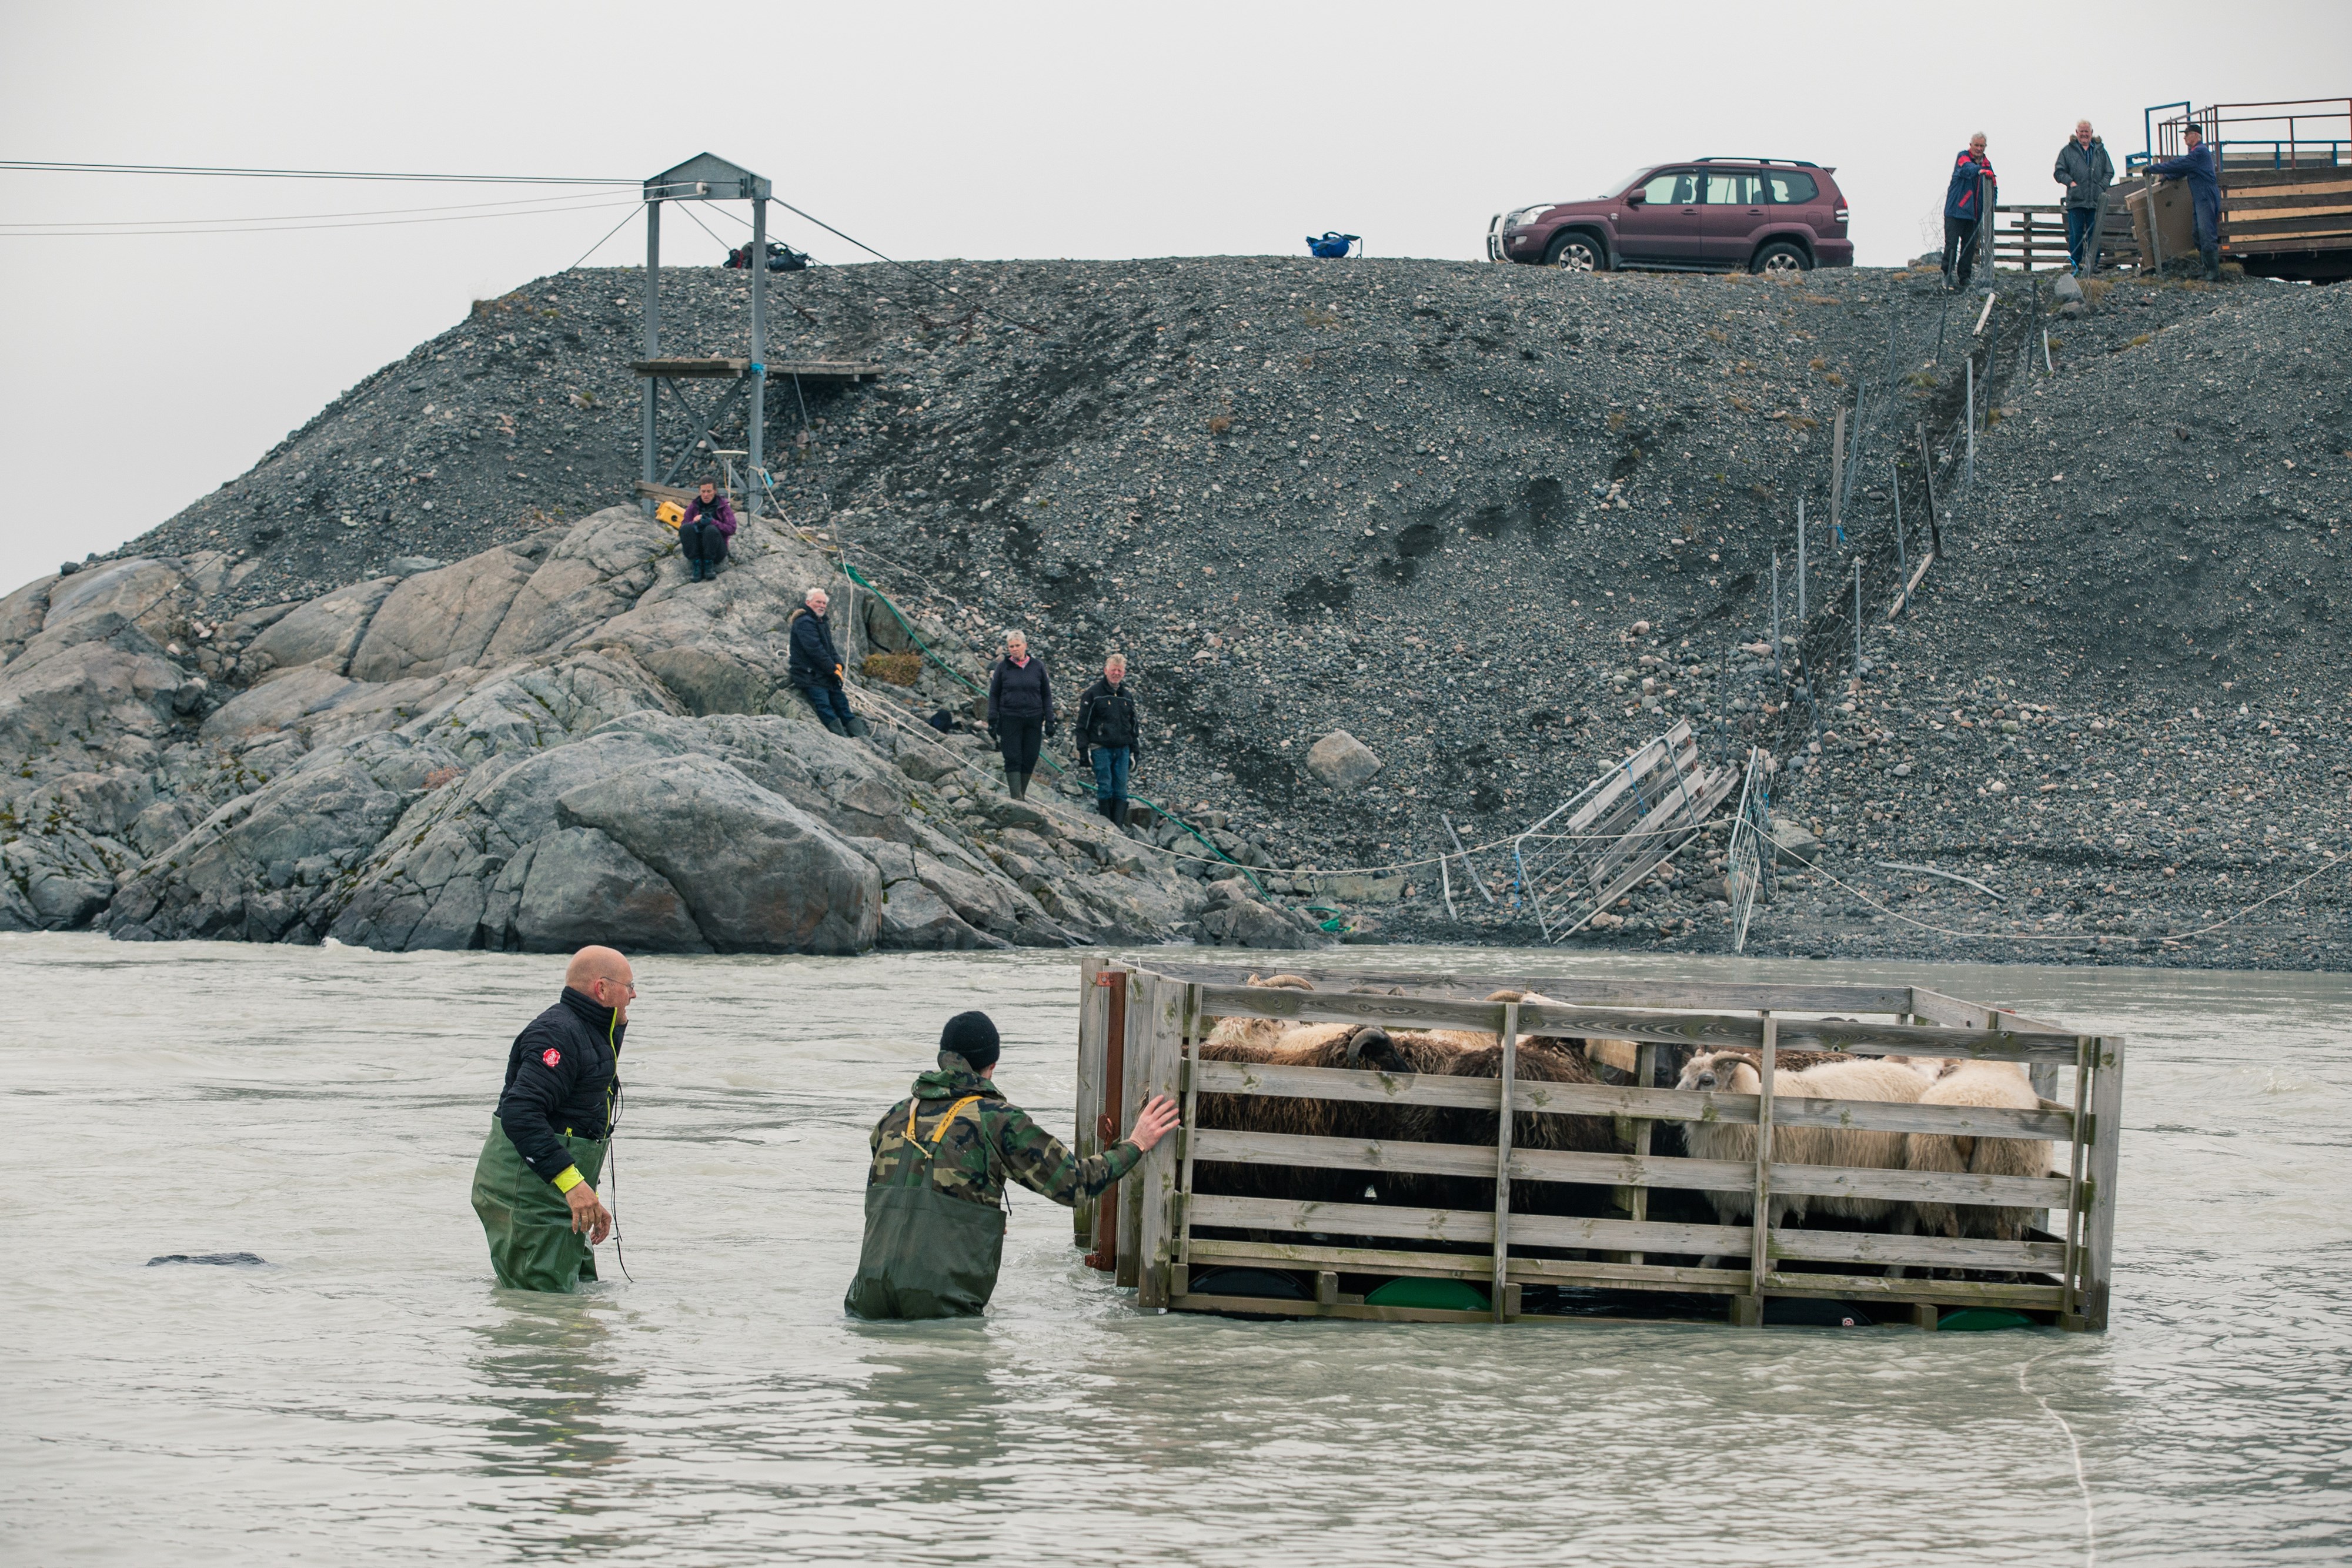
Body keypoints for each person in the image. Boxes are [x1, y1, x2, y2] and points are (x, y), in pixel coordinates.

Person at [844, 1010, 1180, 1320]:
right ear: (992, 1064)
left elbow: (901, 1191)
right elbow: (1075, 1185)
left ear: (943, 1057)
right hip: (941, 1305)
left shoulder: (896, 1115)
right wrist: (1136, 1144)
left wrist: (977, 1214)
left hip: (867, 1300)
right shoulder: (996, 1119)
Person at [469, 946, 636, 1293]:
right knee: (540, 1306)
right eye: (629, 986)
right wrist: (573, 1185)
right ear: (602, 988)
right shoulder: (556, 1034)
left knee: (580, 1300)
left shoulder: (595, 1032)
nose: (634, 995)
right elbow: (521, 1113)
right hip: (529, 1194)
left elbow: (574, 1119)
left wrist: (587, 1192)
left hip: (561, 1191)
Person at [1074, 653, 1141, 828]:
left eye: (1120, 671)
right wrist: (1083, 750)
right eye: (1113, 670)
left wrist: (1135, 752)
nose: (1116, 674)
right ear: (1106, 671)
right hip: (1101, 748)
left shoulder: (1127, 696)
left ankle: (1116, 829)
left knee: (1121, 790)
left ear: (1124, 673)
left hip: (1123, 750)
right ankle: (1106, 827)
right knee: (1105, 787)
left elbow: (1133, 726)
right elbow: (1082, 724)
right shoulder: (1093, 694)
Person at [788, 587, 864, 737]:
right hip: (808, 675)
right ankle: (841, 738)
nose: (822, 606)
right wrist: (832, 669)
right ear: (808, 603)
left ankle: (860, 736)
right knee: (824, 705)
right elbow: (815, 650)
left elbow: (830, 648)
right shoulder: (804, 622)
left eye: (824, 603)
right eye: (818, 602)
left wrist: (838, 664)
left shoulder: (821, 622)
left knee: (842, 703)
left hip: (824, 673)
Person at [985, 631, 1053, 801]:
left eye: (1017, 645)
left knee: (1030, 757)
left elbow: (1046, 694)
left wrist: (1050, 719)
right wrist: (992, 719)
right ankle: (1016, 797)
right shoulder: (1002, 668)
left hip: (1034, 718)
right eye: (1011, 647)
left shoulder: (1038, 666)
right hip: (1010, 718)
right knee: (1012, 757)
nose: (1014, 649)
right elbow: (994, 694)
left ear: (1025, 646)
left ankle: (1021, 794)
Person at [2151, 123, 2223, 281]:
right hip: (2200, 197)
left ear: (2195, 135)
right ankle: (2205, 267)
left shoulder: (2200, 152)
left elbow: (2180, 164)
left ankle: (2214, 272)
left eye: (2187, 134)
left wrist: (2155, 168)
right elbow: (2184, 169)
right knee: (2197, 233)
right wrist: (2168, 177)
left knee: (2206, 232)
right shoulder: (2196, 154)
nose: (2184, 137)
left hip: (2206, 195)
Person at [2053, 120, 2114, 275]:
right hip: (2076, 201)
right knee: (2076, 235)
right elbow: (2059, 172)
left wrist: (2101, 187)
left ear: (2091, 133)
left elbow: (2109, 172)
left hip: (2095, 200)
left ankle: (2093, 265)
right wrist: (2071, 183)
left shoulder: (2100, 151)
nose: (2084, 134)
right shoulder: (2067, 151)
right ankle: (2075, 265)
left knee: (2095, 234)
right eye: (2082, 132)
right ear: (2077, 133)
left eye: (2087, 131)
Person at [1942, 132, 1997, 291]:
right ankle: (1947, 275)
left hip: (1974, 214)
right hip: (1956, 211)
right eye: (1976, 145)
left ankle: (1965, 277)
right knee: (1952, 244)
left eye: (1982, 146)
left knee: (1970, 246)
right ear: (1971, 145)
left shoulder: (1987, 164)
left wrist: (1992, 204)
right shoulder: (1963, 157)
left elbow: (1993, 185)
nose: (1979, 149)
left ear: (1985, 147)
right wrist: (1980, 171)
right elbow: (1967, 169)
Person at [679, 481, 736, 581]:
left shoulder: (723, 507)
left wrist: (713, 522)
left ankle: (708, 565)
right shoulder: (693, 506)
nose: (706, 495)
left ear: (715, 491)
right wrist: (694, 522)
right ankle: (697, 564)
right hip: (697, 548)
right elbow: (683, 528)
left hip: (716, 550)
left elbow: (731, 529)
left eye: (709, 491)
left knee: (710, 529)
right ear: (699, 491)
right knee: (686, 528)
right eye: (703, 491)